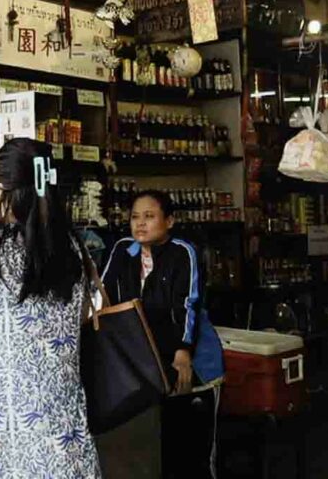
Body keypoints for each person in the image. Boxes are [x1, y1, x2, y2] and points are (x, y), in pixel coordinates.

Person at [0, 139, 100, 478]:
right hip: (67, 444)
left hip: (7, 448)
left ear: (3, 189)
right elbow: (84, 317)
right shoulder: (74, 247)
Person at [102, 190, 225, 479]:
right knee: (159, 449)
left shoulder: (182, 252)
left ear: (169, 221)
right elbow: (103, 294)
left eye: (149, 216)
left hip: (193, 365)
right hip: (149, 366)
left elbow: (188, 303)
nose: (140, 224)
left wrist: (184, 352)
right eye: (134, 217)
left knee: (193, 453)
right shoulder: (123, 250)